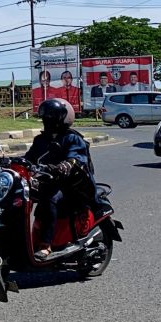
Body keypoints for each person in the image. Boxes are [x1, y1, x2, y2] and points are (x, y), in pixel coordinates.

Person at [25, 98, 112, 259]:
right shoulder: (41, 140)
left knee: (50, 199)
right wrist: (13, 161)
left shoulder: (73, 138)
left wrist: (64, 165)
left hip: (74, 186)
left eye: (52, 117)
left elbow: (76, 158)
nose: (48, 121)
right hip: (50, 182)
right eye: (46, 118)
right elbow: (29, 158)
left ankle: (46, 245)